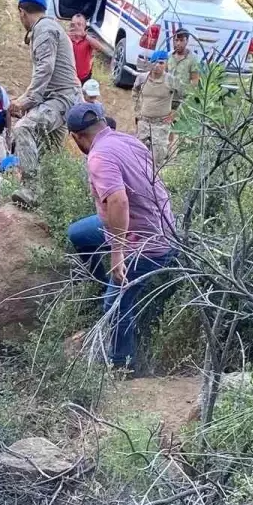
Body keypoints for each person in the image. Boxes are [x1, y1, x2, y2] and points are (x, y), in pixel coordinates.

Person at [65, 103, 177, 369]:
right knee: (79, 234)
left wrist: (118, 253)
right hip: (158, 227)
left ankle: (122, 365)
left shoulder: (99, 156)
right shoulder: (128, 140)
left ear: (76, 137)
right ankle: (103, 284)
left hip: (145, 241)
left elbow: (118, 201)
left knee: (116, 304)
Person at [8, 0, 81, 179]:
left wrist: (27, 100)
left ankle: (30, 188)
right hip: (64, 99)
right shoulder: (50, 26)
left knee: (23, 128)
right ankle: (51, 197)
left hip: (60, 99)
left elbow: (45, 69)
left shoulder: (44, 29)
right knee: (51, 157)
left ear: (22, 12)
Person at [132, 50, 177, 167]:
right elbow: (135, 91)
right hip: (144, 123)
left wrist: (175, 113)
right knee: (139, 158)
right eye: (155, 62)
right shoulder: (142, 78)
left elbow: (186, 96)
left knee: (156, 160)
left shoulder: (171, 80)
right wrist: (137, 111)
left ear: (166, 64)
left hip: (161, 124)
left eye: (161, 63)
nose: (157, 66)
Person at [168, 28, 201, 106]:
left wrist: (189, 98)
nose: (178, 43)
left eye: (182, 40)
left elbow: (195, 79)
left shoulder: (193, 58)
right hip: (169, 97)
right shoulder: (169, 56)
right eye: (176, 40)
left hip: (183, 99)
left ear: (187, 41)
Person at [68, 12, 96, 84]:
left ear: (84, 26)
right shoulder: (67, 38)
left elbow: (100, 48)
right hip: (68, 77)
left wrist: (84, 35)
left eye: (79, 24)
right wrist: (67, 36)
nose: (76, 27)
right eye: (74, 24)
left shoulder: (88, 39)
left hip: (84, 78)